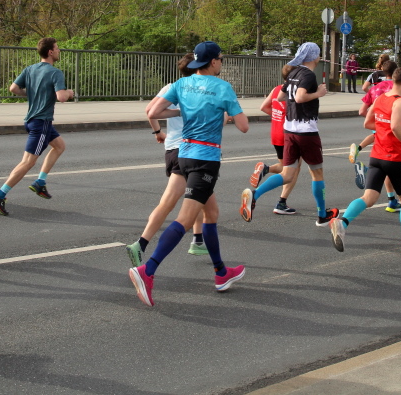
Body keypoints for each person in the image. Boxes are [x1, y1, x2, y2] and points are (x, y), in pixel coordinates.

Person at [129, 41, 249, 306]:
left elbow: (154, 111)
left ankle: (221, 273)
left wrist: (182, 109)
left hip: (183, 155)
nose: (221, 62)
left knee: (211, 213)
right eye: (221, 59)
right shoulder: (223, 87)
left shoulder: (182, 84)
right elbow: (244, 126)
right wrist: (225, 111)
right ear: (214, 62)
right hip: (205, 161)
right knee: (184, 220)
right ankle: (147, 271)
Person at [240, 42, 339, 227]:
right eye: (318, 54)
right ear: (314, 57)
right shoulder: (308, 75)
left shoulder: (293, 72)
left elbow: (280, 97)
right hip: (306, 130)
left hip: (289, 130)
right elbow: (300, 97)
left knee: (287, 174)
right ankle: (321, 215)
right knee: (317, 173)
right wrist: (318, 93)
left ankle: (255, 194)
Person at [329, 67, 401, 254]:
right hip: (395, 157)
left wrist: (384, 131)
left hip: (377, 156)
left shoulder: (380, 99)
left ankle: (343, 222)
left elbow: (368, 123)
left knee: (369, 198)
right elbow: (396, 126)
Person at [126, 55, 207, 267]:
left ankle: (197, 240)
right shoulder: (200, 89)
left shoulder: (171, 87)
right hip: (191, 150)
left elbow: (149, 111)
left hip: (172, 149)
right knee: (185, 199)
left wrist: (157, 132)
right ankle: (142, 244)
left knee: (196, 196)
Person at [0, 38, 74, 215]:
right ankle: (0, 194)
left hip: (33, 120)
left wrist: (32, 94)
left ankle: (40, 182)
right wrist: (69, 93)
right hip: (41, 123)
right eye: (57, 48)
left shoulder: (30, 69)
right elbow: (61, 97)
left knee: (59, 146)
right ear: (50, 52)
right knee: (28, 162)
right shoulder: (55, 72)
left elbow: (13, 88)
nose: (59, 51)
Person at [352, 59, 401, 211]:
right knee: (393, 164)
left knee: (382, 161)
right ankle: (396, 200)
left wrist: (377, 121)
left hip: (379, 124)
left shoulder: (375, 88)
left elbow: (362, 111)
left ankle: (391, 200)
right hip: (394, 130)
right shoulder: (398, 88)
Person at [249, 80, 302, 215]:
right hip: (288, 134)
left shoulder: (277, 89)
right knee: (293, 170)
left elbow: (263, 107)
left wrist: (278, 116)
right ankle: (281, 202)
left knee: (285, 166)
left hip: (276, 133)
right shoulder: (294, 92)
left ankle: (266, 169)